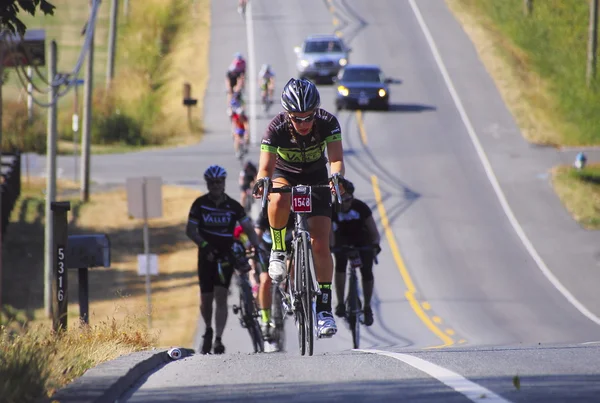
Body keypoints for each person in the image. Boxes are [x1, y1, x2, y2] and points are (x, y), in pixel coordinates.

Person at [253, 78, 345, 338]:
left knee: (320, 243)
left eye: (308, 117)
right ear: (287, 114)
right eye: (297, 118)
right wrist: (262, 183)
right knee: (278, 198)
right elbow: (265, 169)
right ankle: (279, 249)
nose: (304, 124)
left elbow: (336, 159)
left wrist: (336, 178)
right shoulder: (276, 128)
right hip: (286, 176)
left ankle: (324, 309)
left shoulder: (327, 122)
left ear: (316, 111)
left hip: (317, 178)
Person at [186, 165, 263, 354]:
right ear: (207, 184)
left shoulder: (233, 206)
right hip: (207, 255)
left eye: (218, 182)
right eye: (212, 183)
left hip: (226, 255)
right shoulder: (200, 204)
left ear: (223, 183)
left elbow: (248, 228)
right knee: (206, 298)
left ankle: (219, 339)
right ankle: (208, 330)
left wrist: (256, 246)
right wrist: (204, 246)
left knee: (221, 295)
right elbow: (191, 230)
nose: (215, 186)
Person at [330, 179, 381, 326]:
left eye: (348, 200)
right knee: (339, 265)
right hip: (341, 242)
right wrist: (331, 247)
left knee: (367, 271)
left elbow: (373, 231)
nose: (345, 203)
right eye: (342, 200)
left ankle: (367, 307)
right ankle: (340, 303)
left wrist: (375, 245)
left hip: (362, 241)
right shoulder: (332, 209)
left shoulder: (361, 208)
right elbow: (329, 234)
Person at [253, 209, 294, 339]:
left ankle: (289, 292)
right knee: (265, 280)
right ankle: (265, 319)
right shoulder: (265, 213)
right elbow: (257, 236)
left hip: (287, 248)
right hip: (267, 250)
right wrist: (252, 256)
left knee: (290, 266)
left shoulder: (292, 214)